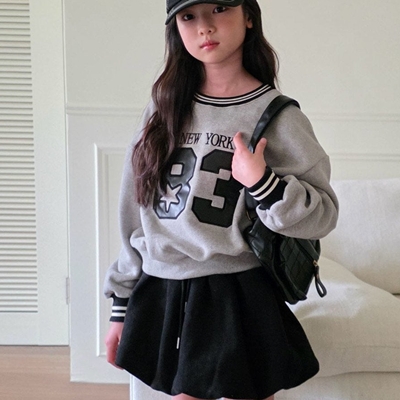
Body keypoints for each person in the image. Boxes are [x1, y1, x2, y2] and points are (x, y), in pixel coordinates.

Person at [104, 1, 339, 399]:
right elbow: (136, 211)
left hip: (236, 290)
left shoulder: (277, 115)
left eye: (219, 8)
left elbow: (324, 214)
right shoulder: (162, 107)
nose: (204, 27)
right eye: (188, 16)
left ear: (248, 15)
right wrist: (121, 302)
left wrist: (263, 183)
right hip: (163, 287)